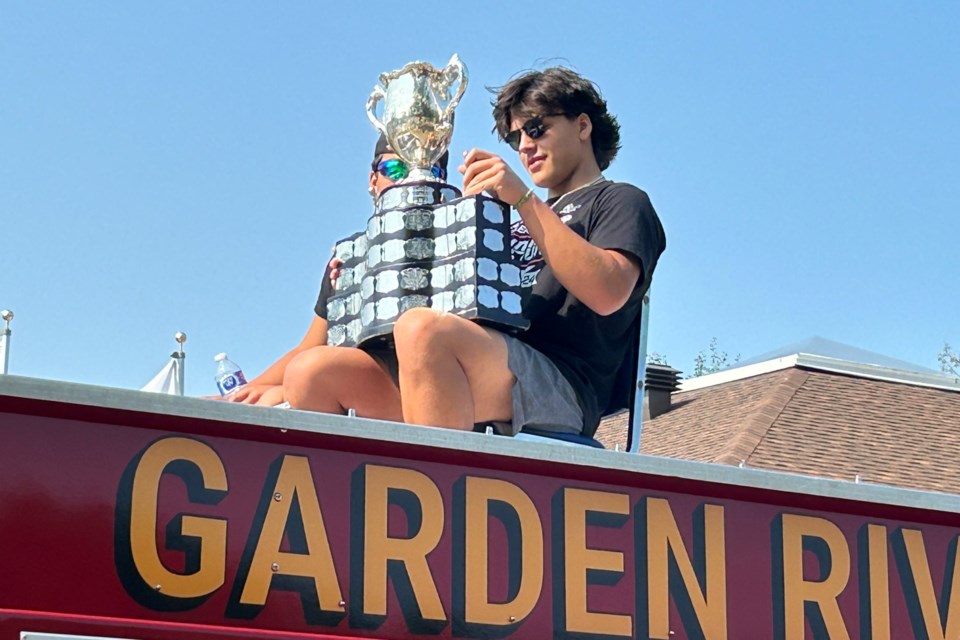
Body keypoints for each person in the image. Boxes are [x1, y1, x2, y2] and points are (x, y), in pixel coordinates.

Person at [391, 67, 666, 437]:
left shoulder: (621, 201)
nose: (524, 146)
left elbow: (607, 292)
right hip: (485, 357)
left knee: (422, 330)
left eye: (536, 129)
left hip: (563, 384)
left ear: (583, 126)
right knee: (316, 373)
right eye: (515, 137)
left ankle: (441, 489)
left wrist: (522, 198)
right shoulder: (513, 212)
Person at [221, 136, 447, 422]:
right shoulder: (349, 256)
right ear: (373, 179)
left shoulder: (454, 239)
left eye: (428, 170)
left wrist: (290, 388)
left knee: (308, 373)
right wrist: (241, 394)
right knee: (290, 381)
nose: (407, 181)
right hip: (363, 380)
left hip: (434, 388)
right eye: (395, 169)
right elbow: (311, 345)